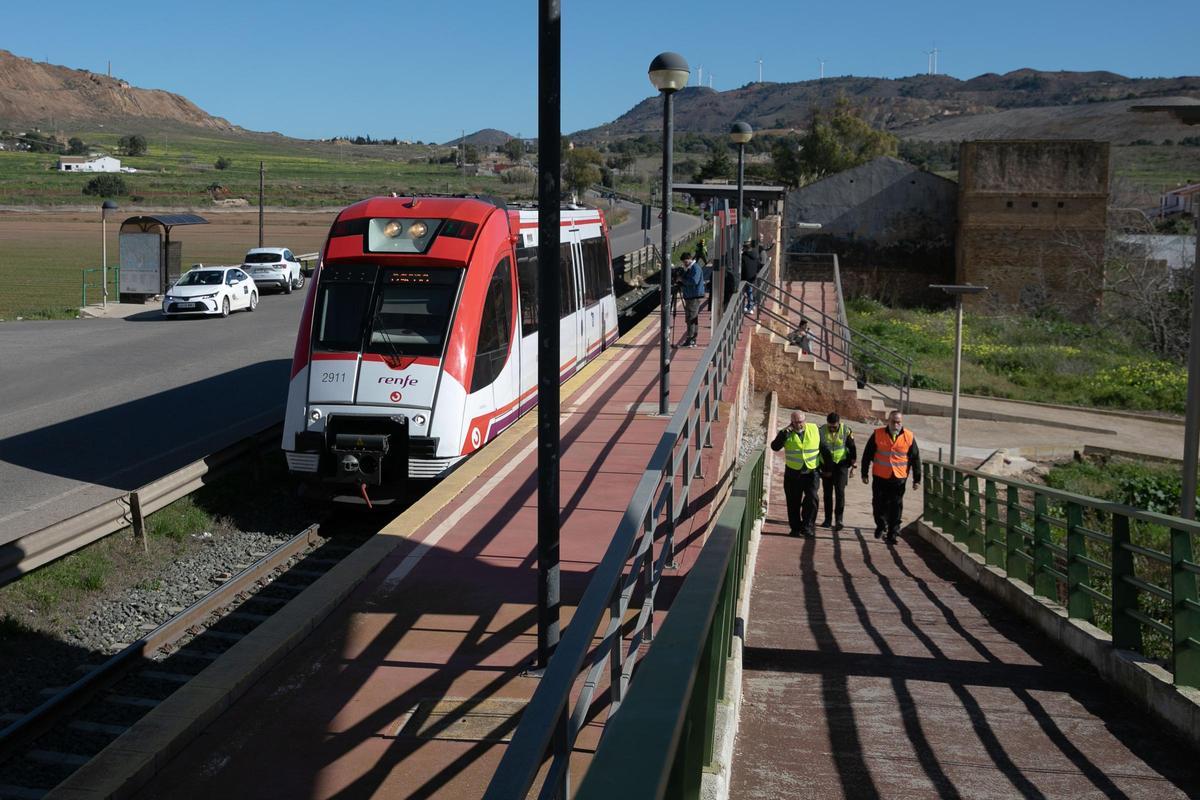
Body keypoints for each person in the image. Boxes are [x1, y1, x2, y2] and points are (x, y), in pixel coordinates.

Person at [860, 410, 921, 544]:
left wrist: (917, 479)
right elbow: (867, 454)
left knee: (896, 505)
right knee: (878, 503)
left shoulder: (909, 436)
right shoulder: (878, 434)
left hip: (899, 478)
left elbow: (915, 458)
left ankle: (893, 533)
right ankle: (881, 524)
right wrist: (864, 473)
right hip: (880, 476)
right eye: (893, 422)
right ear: (888, 421)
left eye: (898, 422)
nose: (896, 425)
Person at [770, 411, 831, 537]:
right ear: (791, 422)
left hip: (812, 472)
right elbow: (775, 447)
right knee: (793, 502)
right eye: (796, 422)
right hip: (793, 473)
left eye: (801, 421)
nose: (799, 425)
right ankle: (795, 529)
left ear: (805, 420)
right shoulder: (785, 433)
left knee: (812, 498)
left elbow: (824, 448)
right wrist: (784, 434)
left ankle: (808, 527)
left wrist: (829, 468)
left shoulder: (815, 429)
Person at [819, 412, 856, 530]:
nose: (831, 428)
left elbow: (852, 447)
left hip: (841, 465)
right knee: (827, 493)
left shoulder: (846, 430)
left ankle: (839, 520)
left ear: (838, 423)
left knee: (840, 492)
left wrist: (853, 465)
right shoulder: (821, 430)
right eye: (829, 426)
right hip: (826, 465)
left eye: (834, 426)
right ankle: (827, 520)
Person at [678, 251, 705, 348]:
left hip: (694, 296)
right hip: (690, 295)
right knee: (691, 318)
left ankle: (691, 339)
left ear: (690, 259)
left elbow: (694, 281)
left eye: (685, 262)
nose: (684, 264)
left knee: (691, 318)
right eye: (683, 262)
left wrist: (682, 280)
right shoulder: (690, 268)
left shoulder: (695, 268)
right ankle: (692, 339)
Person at [741, 240, 762, 314]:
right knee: (750, 291)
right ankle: (750, 305)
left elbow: (742, 267)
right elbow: (758, 265)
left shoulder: (743, 256)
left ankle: (750, 306)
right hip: (753, 276)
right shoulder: (756, 255)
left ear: (745, 248)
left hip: (745, 276)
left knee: (748, 292)